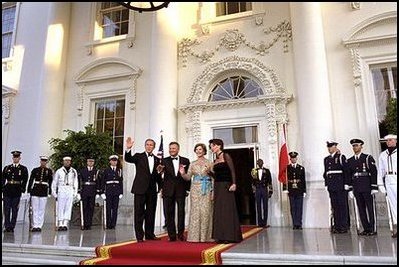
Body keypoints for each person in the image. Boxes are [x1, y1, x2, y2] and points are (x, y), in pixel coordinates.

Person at [124, 137, 162, 242]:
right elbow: (128, 159)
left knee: (151, 213)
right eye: (147, 144)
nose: (149, 146)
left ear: (153, 147)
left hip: (152, 190)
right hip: (140, 188)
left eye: (151, 145)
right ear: (145, 146)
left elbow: (158, 175)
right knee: (139, 213)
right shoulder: (138, 156)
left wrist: (161, 187)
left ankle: (150, 234)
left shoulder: (157, 159)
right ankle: (139, 236)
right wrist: (128, 149)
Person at [208, 139, 242, 243]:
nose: (211, 148)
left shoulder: (226, 155)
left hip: (226, 185)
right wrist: (209, 172)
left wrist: (234, 183)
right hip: (217, 186)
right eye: (211, 146)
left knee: (226, 210)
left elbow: (232, 170)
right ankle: (220, 236)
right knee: (219, 210)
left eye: (212, 146)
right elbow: (217, 176)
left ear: (218, 146)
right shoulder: (215, 159)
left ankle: (229, 236)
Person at [179, 143, 214, 242]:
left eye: (200, 149)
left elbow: (213, 178)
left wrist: (213, 192)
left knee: (205, 212)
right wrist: (182, 173)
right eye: (197, 149)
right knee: (195, 212)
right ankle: (195, 237)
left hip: (206, 188)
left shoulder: (210, 163)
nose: (198, 151)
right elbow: (188, 177)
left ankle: (205, 237)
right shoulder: (192, 163)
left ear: (204, 151)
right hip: (194, 189)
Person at [159, 142, 190, 241]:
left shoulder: (185, 160)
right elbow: (160, 176)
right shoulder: (164, 160)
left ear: (178, 149)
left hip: (181, 190)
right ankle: (171, 235)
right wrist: (161, 188)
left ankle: (181, 234)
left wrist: (188, 189)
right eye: (170, 148)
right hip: (168, 190)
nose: (171, 150)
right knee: (168, 213)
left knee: (181, 212)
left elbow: (188, 176)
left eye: (174, 148)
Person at [346, 138, 378, 236]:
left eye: (357, 145)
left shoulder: (367, 158)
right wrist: (350, 189)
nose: (355, 147)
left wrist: (374, 187)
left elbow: (373, 172)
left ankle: (373, 228)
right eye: (354, 146)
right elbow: (349, 175)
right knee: (361, 209)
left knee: (370, 208)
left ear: (361, 146)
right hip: (357, 187)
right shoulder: (350, 160)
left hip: (367, 186)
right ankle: (366, 228)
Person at [323, 141, 350, 234]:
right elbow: (326, 173)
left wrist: (347, 184)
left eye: (331, 147)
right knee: (335, 206)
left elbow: (346, 171)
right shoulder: (326, 159)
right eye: (328, 147)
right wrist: (326, 184)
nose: (329, 148)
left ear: (335, 147)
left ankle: (344, 225)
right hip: (332, 186)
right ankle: (337, 225)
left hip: (340, 186)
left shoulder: (341, 157)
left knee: (342, 206)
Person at [2, 151, 29, 232]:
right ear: (12, 158)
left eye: (17, 157)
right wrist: (2, 188)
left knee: (14, 209)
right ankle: (7, 226)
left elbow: (25, 179)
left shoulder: (23, 168)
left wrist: (22, 189)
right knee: (6, 209)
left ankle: (12, 226)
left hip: (17, 190)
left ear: (19, 158)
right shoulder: (7, 168)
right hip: (7, 190)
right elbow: (3, 178)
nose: (15, 158)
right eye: (14, 157)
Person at [377, 134, 397, 238]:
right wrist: (380, 184)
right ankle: (396, 227)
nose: (388, 142)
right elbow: (380, 170)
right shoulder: (383, 155)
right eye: (387, 141)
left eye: (390, 140)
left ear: (395, 141)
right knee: (393, 205)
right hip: (389, 180)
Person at [52, 156, 79, 231]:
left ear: (70, 162)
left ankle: (65, 223)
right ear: (63, 162)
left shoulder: (73, 171)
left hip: (69, 189)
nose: (67, 162)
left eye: (68, 161)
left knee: (68, 206)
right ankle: (60, 223)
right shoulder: (59, 171)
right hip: (62, 188)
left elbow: (76, 182)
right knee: (61, 206)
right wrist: (54, 193)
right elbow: (55, 182)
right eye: (65, 161)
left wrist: (75, 192)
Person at [27, 156, 53, 232]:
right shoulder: (35, 170)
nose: (43, 162)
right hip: (35, 190)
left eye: (45, 161)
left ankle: (39, 225)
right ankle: (35, 225)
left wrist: (49, 192)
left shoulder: (49, 171)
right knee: (35, 209)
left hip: (44, 191)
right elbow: (31, 180)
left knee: (41, 209)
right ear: (40, 161)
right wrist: (29, 190)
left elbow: (50, 182)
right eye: (42, 161)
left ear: (46, 162)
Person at [284, 151, 306, 230]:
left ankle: (299, 224)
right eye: (292, 158)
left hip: (299, 190)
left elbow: (303, 180)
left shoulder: (301, 168)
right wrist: (285, 188)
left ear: (296, 158)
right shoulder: (287, 168)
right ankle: (294, 223)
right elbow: (285, 178)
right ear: (290, 159)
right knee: (293, 208)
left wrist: (304, 191)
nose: (293, 159)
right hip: (291, 190)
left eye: (294, 158)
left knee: (299, 207)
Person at [100, 155, 123, 229]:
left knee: (115, 209)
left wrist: (121, 192)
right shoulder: (106, 170)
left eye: (115, 161)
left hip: (116, 191)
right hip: (109, 191)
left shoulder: (119, 170)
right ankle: (108, 223)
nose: (114, 162)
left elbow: (120, 182)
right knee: (108, 208)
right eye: (112, 160)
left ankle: (113, 224)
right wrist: (102, 192)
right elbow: (103, 181)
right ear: (110, 161)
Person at [78, 157, 101, 230]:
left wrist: (98, 192)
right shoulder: (82, 171)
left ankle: (89, 224)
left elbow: (98, 182)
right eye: (89, 161)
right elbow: (79, 181)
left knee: (91, 207)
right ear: (87, 162)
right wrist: (79, 191)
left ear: (94, 163)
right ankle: (84, 223)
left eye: (92, 161)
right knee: (84, 207)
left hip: (92, 191)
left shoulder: (96, 171)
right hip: (84, 190)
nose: (91, 163)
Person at [251, 158, 273, 228]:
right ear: (257, 164)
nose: (259, 163)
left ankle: (265, 222)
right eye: (258, 162)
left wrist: (270, 191)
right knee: (258, 206)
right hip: (257, 189)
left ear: (263, 163)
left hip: (264, 189)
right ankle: (260, 223)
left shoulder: (267, 171)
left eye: (260, 162)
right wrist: (254, 191)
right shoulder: (254, 171)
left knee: (265, 206)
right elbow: (252, 182)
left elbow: (270, 181)